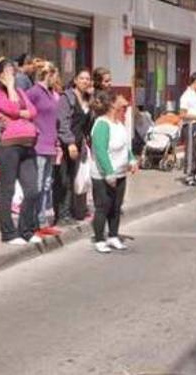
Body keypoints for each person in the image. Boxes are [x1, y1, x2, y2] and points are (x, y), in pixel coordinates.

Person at [0, 59, 42, 246]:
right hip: (8, 146)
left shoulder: (21, 91)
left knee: (32, 190)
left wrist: (19, 111)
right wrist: (11, 89)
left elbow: (33, 111)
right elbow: (12, 108)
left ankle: (26, 229)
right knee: (8, 190)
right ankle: (9, 233)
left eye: (13, 72)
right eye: (7, 72)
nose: (11, 76)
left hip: (28, 145)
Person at [90, 90, 138, 253]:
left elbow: (125, 146)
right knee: (103, 206)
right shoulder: (102, 124)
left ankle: (113, 236)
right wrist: (108, 172)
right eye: (119, 99)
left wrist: (131, 159)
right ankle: (99, 239)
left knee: (116, 207)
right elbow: (101, 150)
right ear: (111, 104)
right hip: (103, 175)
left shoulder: (119, 123)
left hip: (120, 173)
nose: (123, 102)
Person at [26, 61, 62, 235]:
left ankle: (41, 221)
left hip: (50, 144)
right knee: (38, 184)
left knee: (47, 184)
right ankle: (33, 221)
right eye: (54, 74)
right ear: (48, 74)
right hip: (38, 144)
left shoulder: (50, 93)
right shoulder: (34, 92)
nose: (56, 78)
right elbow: (23, 110)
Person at [56, 69, 95, 224]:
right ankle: (62, 215)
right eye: (82, 78)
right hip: (66, 144)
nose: (85, 81)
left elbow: (88, 124)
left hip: (79, 143)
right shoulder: (67, 97)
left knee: (74, 177)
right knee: (63, 179)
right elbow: (63, 121)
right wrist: (70, 142)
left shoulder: (87, 99)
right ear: (75, 80)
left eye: (88, 79)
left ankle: (73, 211)